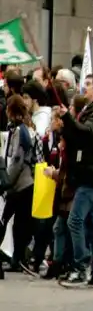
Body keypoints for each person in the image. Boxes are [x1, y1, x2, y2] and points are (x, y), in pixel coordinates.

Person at [58, 75, 93, 288]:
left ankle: (81, 267)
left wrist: (70, 120)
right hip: (87, 175)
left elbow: (87, 133)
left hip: (92, 176)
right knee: (90, 225)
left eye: (88, 85)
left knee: (75, 220)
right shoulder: (88, 112)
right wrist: (66, 122)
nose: (84, 88)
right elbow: (78, 136)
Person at [0, 95, 36, 274]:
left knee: (9, 220)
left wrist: (7, 181)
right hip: (21, 184)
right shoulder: (19, 129)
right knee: (16, 223)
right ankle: (17, 259)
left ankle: (18, 259)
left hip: (21, 185)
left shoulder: (20, 131)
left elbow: (17, 160)